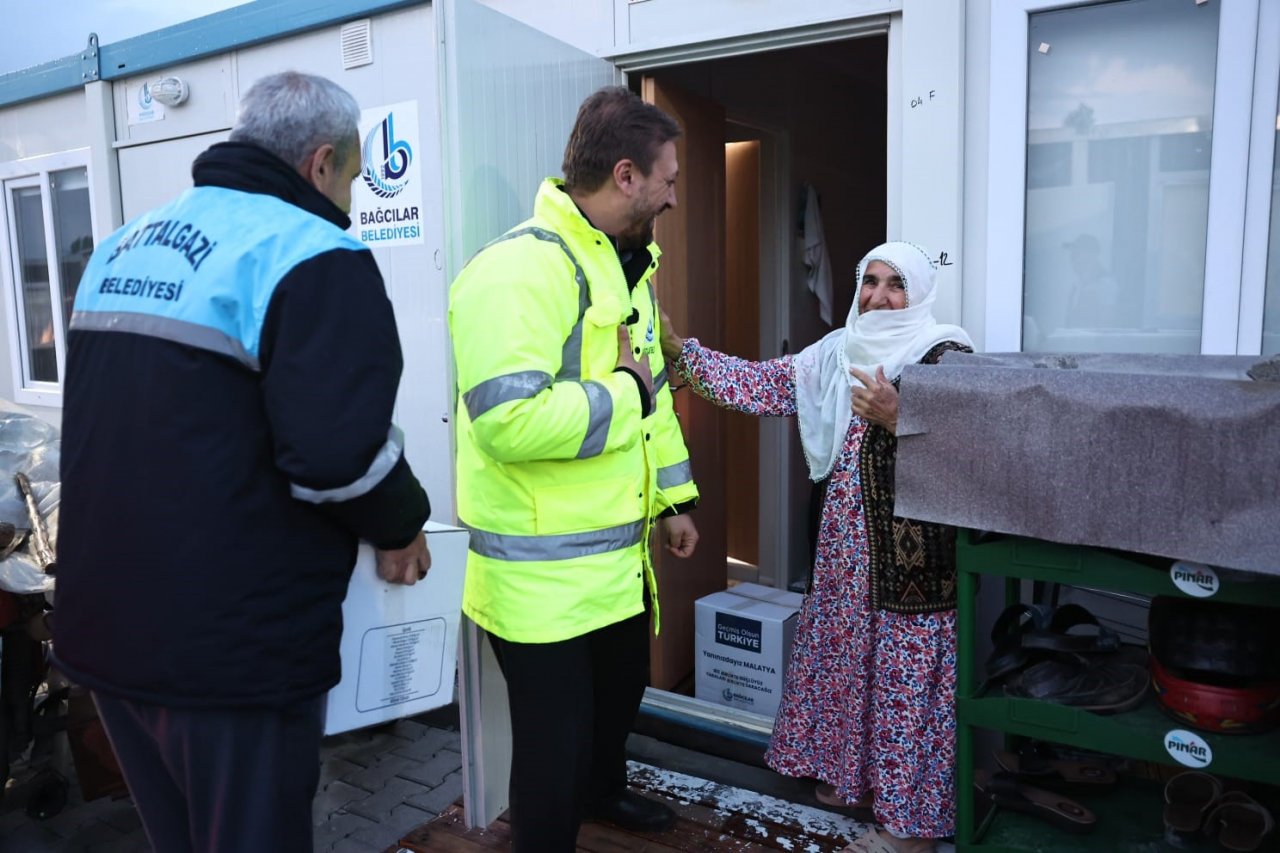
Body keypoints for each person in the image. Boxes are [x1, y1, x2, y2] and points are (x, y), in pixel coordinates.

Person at [53, 71, 432, 852]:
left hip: (107, 631)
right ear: (320, 163)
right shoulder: (314, 254)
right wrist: (403, 522)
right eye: (355, 178)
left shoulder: (121, 246)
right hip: (228, 655)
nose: (354, 199)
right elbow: (335, 454)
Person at [448, 86, 700, 852]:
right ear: (625, 175)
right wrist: (622, 394)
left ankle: (605, 794)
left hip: (613, 568)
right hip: (539, 587)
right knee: (550, 758)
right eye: (668, 175)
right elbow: (507, 424)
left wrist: (674, 502)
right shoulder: (518, 272)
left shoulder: (630, 275)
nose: (675, 191)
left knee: (617, 704)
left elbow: (654, 404)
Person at [662, 241, 973, 853]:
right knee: (850, 667)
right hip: (845, 555)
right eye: (870, 281)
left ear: (919, 294)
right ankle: (855, 782)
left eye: (895, 285)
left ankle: (909, 834)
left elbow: (975, 454)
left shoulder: (945, 356)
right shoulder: (838, 353)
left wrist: (898, 416)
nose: (878, 296)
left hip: (911, 570)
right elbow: (761, 384)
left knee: (904, 687)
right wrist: (684, 357)